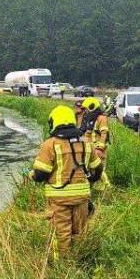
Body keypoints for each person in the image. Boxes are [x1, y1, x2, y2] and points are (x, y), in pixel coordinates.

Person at [31, 106, 103, 255]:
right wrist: (90, 180)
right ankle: (79, 258)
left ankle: (63, 265)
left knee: (61, 233)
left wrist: (31, 175)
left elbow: (40, 174)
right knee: (79, 230)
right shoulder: (85, 142)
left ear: (54, 122)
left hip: (59, 198)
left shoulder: (50, 144)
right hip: (82, 196)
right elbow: (98, 168)